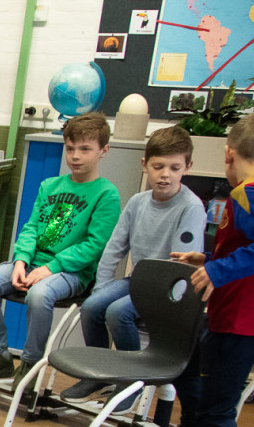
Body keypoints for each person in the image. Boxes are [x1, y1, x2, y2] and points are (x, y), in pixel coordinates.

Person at [158, 111, 254, 427]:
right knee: (197, 375)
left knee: (218, 407)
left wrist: (218, 271)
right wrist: (208, 259)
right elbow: (252, 249)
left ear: (229, 154)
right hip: (244, 315)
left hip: (240, 319)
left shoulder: (250, 194)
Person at [0, 112, 122, 391]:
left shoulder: (107, 194)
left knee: (38, 295)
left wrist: (52, 267)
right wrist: (21, 260)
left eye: (85, 149)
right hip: (33, 262)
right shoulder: (50, 185)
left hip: (72, 272)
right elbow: (31, 228)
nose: (76, 156)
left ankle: (30, 364)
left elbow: (95, 245)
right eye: (70, 148)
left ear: (103, 151)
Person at [61, 126, 207, 410]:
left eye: (174, 168)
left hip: (168, 291)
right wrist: (102, 287)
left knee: (118, 312)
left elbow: (181, 267)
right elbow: (114, 248)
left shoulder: (191, 208)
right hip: (138, 281)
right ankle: (99, 373)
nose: (165, 174)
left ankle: (131, 381)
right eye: (158, 166)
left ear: (187, 168)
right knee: (92, 306)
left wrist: (168, 304)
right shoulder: (137, 203)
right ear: (145, 165)